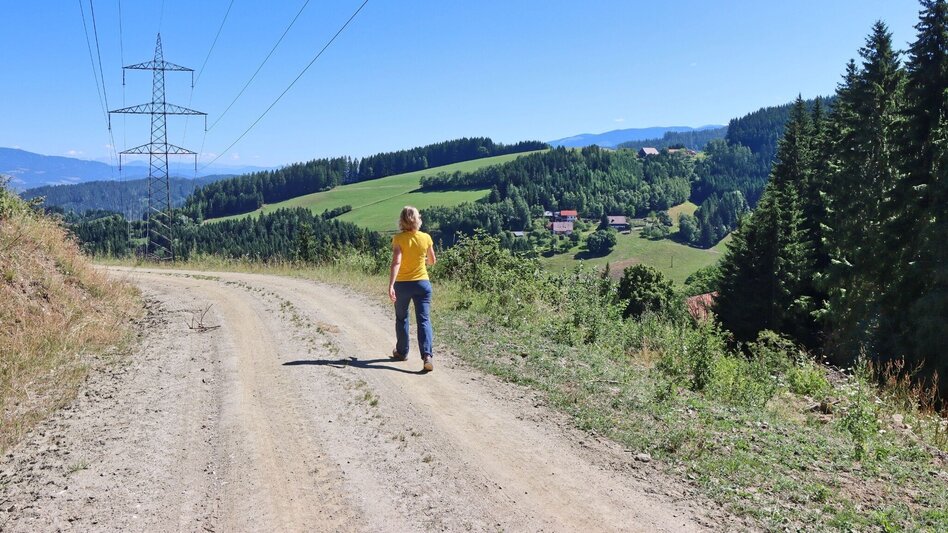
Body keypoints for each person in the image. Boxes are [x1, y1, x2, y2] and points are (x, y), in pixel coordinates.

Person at [388, 206, 437, 372]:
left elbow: (396, 262)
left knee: (402, 318)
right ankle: (427, 356)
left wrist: (391, 285)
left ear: (402, 221)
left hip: (402, 284)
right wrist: (421, 261)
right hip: (422, 283)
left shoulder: (398, 239)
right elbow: (432, 261)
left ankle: (402, 352)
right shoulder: (426, 238)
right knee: (423, 319)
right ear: (417, 220)